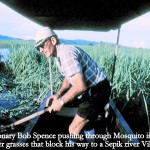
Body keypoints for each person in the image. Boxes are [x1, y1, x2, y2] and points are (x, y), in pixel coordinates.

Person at [34, 27, 111, 143]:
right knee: (86, 122)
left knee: (73, 129)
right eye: (38, 48)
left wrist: (61, 102)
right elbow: (68, 77)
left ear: (53, 41)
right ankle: (92, 141)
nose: (41, 50)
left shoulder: (66, 54)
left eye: (43, 45)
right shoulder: (59, 56)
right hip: (93, 90)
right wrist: (58, 95)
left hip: (98, 91)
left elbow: (80, 86)